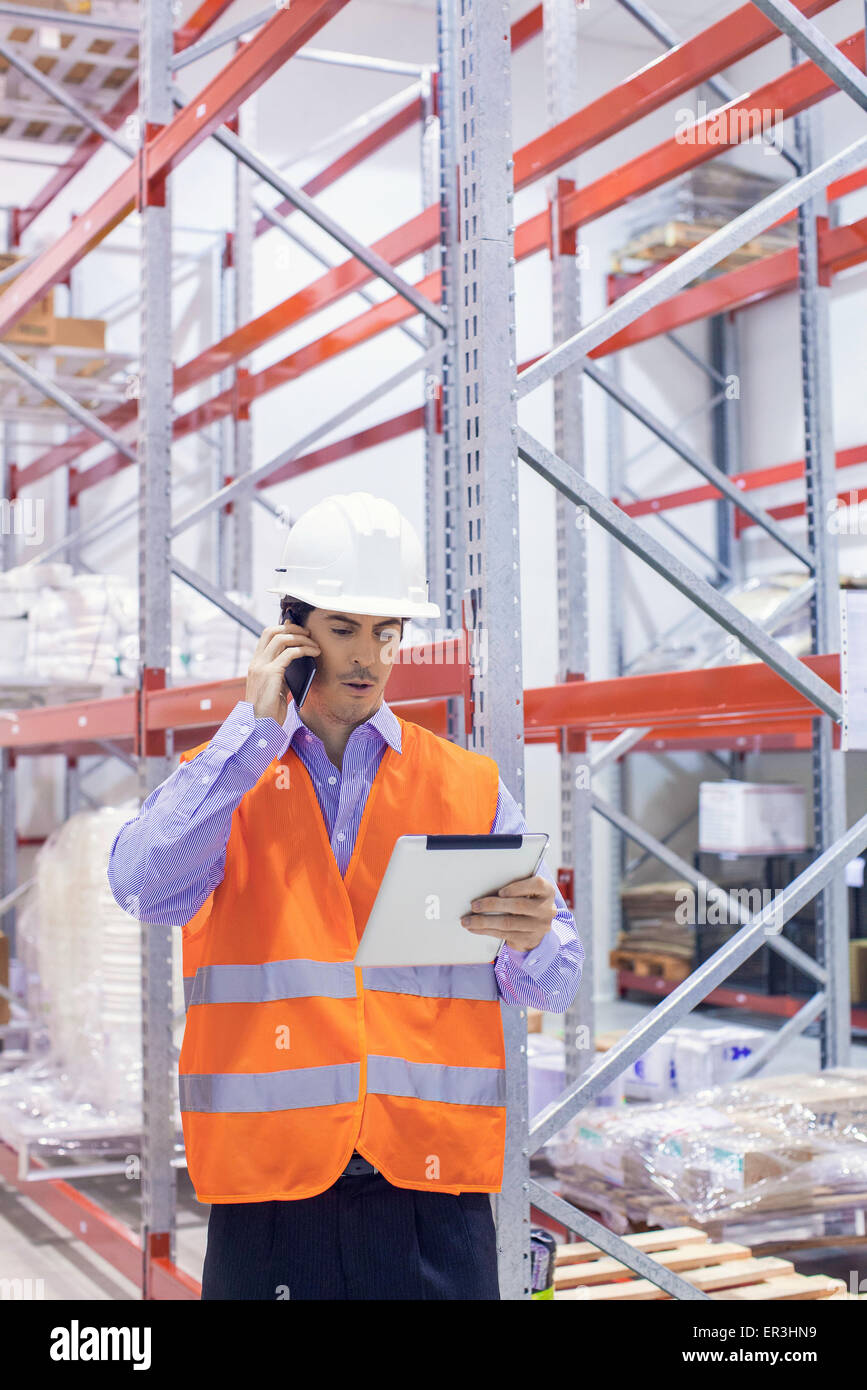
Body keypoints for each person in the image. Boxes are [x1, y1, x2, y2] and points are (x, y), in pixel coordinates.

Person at [108, 491, 583, 1300]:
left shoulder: (465, 783)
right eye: (342, 629)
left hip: (429, 1184)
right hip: (271, 1185)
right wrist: (248, 734)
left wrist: (534, 936)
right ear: (291, 635)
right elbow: (145, 890)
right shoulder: (227, 781)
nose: (366, 656)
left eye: (385, 632)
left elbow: (553, 980)